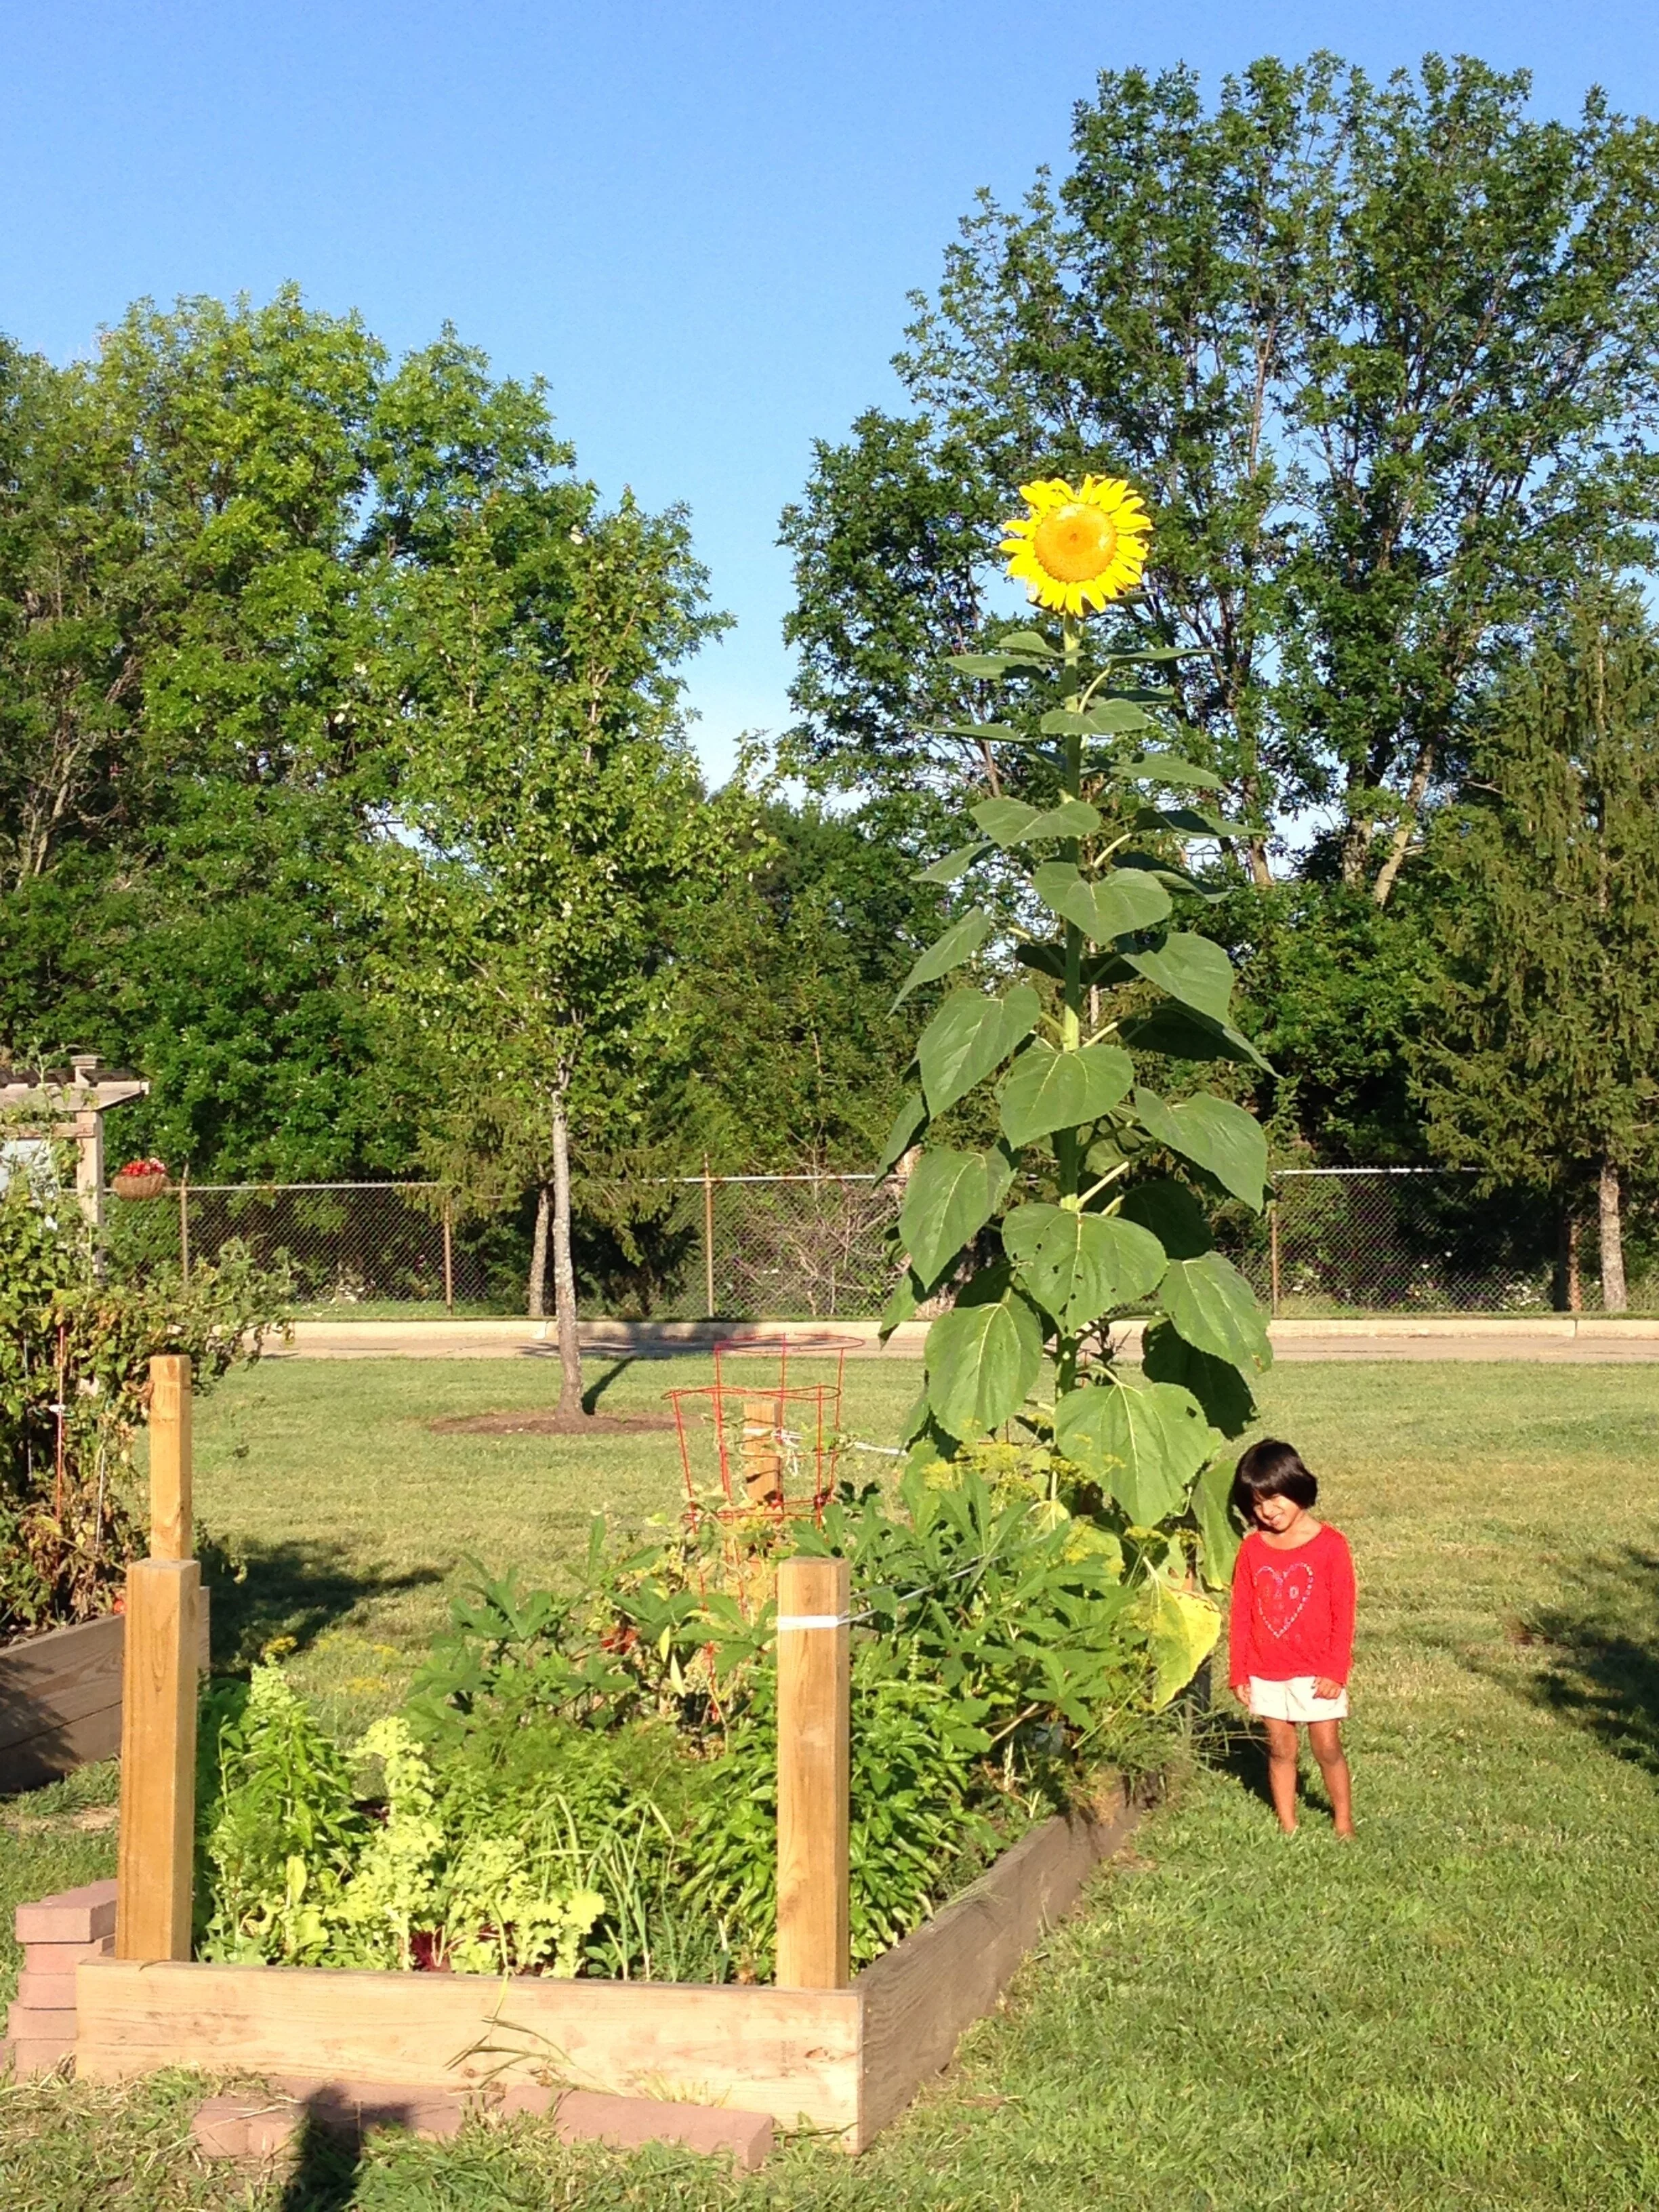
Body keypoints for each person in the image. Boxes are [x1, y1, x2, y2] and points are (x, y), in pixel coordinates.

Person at [1227, 1438, 1356, 1838]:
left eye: (1275, 1497)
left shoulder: (1331, 1546)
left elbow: (1343, 1613)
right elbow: (1241, 1613)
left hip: (1318, 1672)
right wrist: (1240, 1672)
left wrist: (1335, 1670)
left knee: (1327, 1749)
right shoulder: (1252, 1550)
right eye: (1257, 1502)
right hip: (1267, 1671)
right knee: (1281, 1749)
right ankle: (1288, 1825)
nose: (1268, 1510)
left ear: (1297, 1486)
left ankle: (1343, 1822)